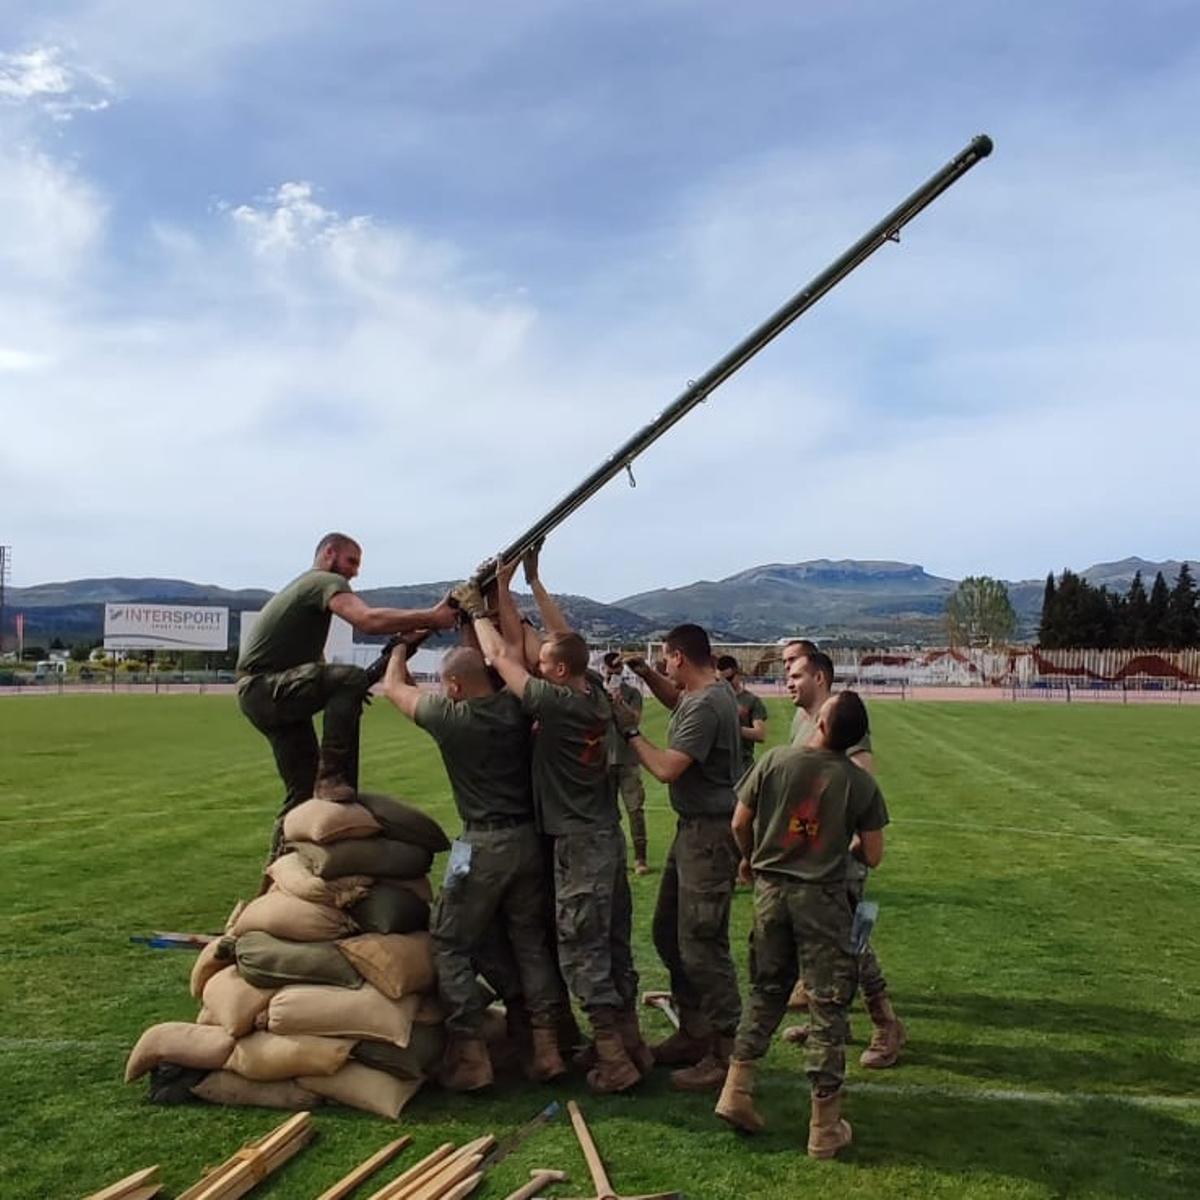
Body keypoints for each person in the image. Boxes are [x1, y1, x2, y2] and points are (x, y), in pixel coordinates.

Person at [456, 554, 649, 1094]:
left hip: (577, 842)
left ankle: (614, 1058)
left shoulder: (558, 703)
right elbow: (555, 637)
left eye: (545, 666)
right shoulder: (591, 692)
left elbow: (499, 651)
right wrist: (509, 584)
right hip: (605, 835)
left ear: (559, 673)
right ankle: (632, 1041)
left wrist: (477, 610)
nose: (536, 666)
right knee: (613, 943)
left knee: (581, 946)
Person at [380, 638, 566, 1091]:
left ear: (456, 686)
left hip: (479, 841)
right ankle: (546, 1047)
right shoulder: (515, 708)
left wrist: (400, 651)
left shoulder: (452, 719)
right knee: (529, 943)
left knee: (449, 941)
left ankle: (470, 1054)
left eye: (445, 685)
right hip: (527, 840)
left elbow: (394, 689)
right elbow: (512, 659)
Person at [716, 690, 888, 1158]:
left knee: (768, 991)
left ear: (824, 726)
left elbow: (738, 822)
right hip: (824, 901)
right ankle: (824, 1126)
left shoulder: (774, 761)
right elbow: (872, 853)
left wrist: (751, 861)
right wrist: (838, 851)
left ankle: (736, 1091)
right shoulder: (860, 783)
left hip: (771, 895)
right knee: (827, 1005)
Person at [235, 532, 457, 860]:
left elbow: (313, 667)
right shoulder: (322, 581)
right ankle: (334, 777)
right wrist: (432, 616)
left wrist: (347, 695)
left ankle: (276, 875)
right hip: (265, 688)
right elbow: (367, 621)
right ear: (329, 553)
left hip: (261, 694)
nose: (354, 572)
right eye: (351, 561)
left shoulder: (305, 592)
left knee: (302, 796)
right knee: (349, 678)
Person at [617, 624, 743, 1091]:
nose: (666, 666)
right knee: (668, 933)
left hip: (708, 837)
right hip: (695, 831)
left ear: (680, 657)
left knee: (702, 945)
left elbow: (668, 768)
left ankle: (727, 1052)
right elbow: (677, 701)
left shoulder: (709, 703)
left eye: (666, 660)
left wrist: (629, 729)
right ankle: (694, 1032)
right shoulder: (708, 693)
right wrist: (646, 673)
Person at [783, 648, 905, 1068]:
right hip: (807, 856)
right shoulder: (801, 722)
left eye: (796, 672)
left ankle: (887, 1024)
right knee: (815, 946)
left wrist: (843, 851)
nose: (787, 679)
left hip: (841, 861)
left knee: (854, 946)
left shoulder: (850, 727)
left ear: (820, 678)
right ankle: (829, 1024)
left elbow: (863, 791)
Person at [602, 650, 650, 874]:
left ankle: (640, 858)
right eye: (612, 671)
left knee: (634, 810)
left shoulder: (632, 693)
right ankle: (611, 856)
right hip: (603, 761)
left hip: (628, 759)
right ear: (605, 670)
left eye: (618, 671)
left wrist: (621, 703)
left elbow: (635, 720)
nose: (615, 675)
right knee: (606, 812)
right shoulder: (596, 693)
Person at [716, 654, 768, 778]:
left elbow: (760, 734)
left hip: (742, 766)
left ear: (738, 674)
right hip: (716, 767)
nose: (724, 685)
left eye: (728, 679)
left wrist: (732, 728)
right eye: (719, 681)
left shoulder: (751, 700)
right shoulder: (711, 698)